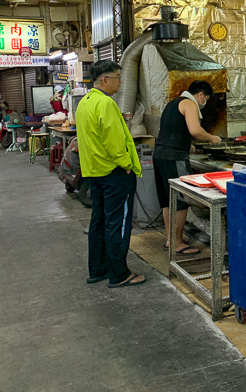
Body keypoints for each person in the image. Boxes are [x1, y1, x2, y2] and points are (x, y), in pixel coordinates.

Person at [76, 61, 145, 289]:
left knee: (100, 221)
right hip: (115, 173)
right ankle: (119, 274)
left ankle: (98, 269)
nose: (120, 81)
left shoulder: (85, 102)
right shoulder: (105, 103)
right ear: (104, 80)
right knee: (118, 223)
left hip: (95, 172)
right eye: (117, 77)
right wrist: (126, 163)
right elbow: (114, 141)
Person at [154, 81, 222, 256]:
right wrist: (212, 138)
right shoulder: (190, 103)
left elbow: (174, 130)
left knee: (167, 199)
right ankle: (177, 242)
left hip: (160, 155)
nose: (204, 102)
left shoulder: (173, 103)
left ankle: (171, 239)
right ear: (200, 94)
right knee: (181, 199)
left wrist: (187, 145)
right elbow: (195, 130)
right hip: (174, 157)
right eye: (205, 98)